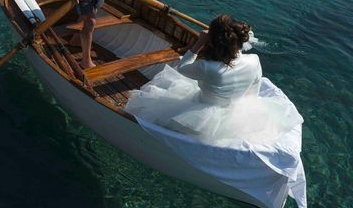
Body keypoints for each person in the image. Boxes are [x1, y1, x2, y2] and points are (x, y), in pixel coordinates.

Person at [125, 14, 303, 144]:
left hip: (203, 110)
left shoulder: (208, 67)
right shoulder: (254, 61)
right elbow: (253, 92)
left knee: (167, 92)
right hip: (236, 109)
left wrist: (198, 43)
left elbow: (182, 68)